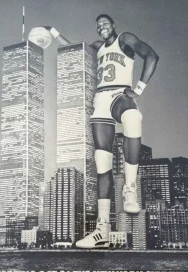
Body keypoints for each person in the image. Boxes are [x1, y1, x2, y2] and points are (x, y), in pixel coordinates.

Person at [40, 14, 159, 248]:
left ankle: (130, 188)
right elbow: (72, 47)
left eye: (105, 23)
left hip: (120, 94)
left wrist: (139, 88)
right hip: (100, 100)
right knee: (102, 162)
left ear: (113, 25)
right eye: (98, 25)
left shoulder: (124, 39)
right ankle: (102, 230)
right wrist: (53, 31)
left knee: (133, 117)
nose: (101, 26)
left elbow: (152, 56)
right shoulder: (96, 47)